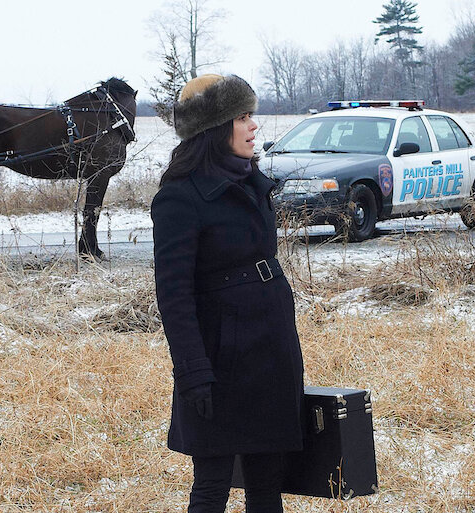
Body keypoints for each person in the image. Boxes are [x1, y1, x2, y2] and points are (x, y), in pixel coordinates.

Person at [151, 74, 304, 513]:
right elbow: (174, 296)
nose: (254, 126)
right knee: (212, 485)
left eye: (251, 115)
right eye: (242, 117)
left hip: (271, 349)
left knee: (267, 485)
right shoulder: (180, 198)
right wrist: (193, 371)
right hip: (220, 358)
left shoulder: (253, 181)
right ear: (215, 128)